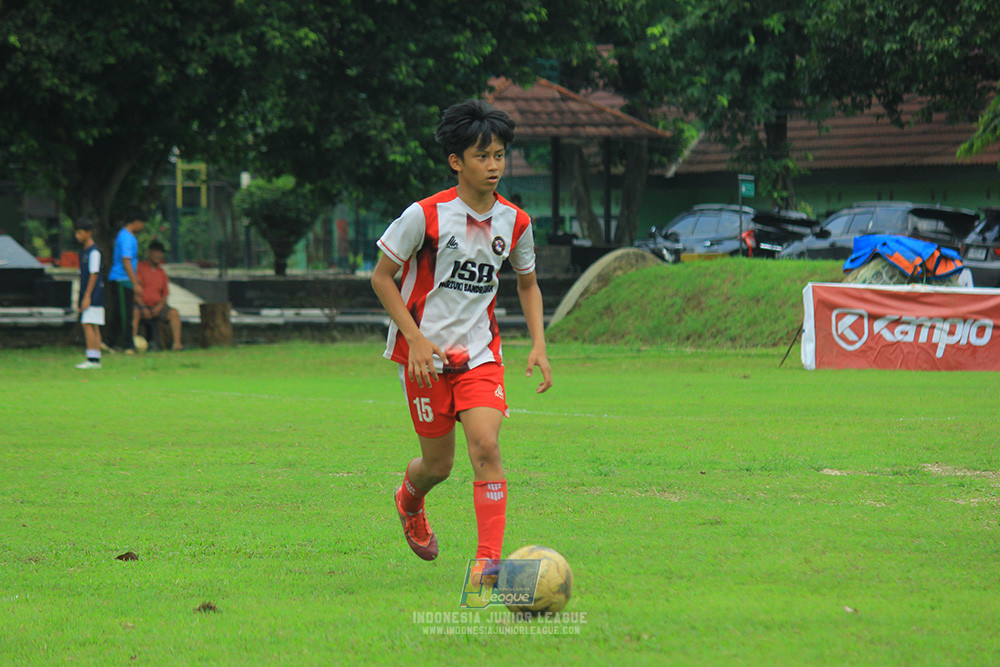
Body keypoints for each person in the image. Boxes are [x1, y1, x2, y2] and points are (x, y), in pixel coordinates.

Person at [371, 100, 553, 580]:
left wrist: (539, 343)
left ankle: (488, 564)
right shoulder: (424, 216)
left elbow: (528, 283)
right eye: (482, 156)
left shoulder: (516, 222)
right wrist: (415, 339)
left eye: (499, 156)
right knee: (437, 467)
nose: (493, 166)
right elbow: (382, 277)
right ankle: (410, 502)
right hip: (424, 361)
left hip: (479, 356)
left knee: (486, 448)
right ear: (456, 161)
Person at [105, 208, 146, 352]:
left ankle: (109, 342)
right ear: (136, 222)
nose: (142, 227)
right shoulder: (127, 238)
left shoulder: (125, 236)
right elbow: (126, 261)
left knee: (121, 312)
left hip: (125, 279)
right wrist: (135, 283)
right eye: (142, 223)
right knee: (125, 313)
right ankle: (128, 345)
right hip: (122, 279)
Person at [133, 240, 183, 350]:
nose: (159, 255)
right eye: (157, 252)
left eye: (161, 253)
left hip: (157, 307)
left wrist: (159, 307)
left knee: (174, 313)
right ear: (150, 252)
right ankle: (133, 344)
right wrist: (143, 307)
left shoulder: (161, 272)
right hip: (142, 305)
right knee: (135, 313)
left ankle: (177, 344)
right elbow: (136, 291)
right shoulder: (139, 268)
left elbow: (165, 294)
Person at [73, 217, 105, 369]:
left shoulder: (94, 252)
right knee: (94, 325)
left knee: (88, 324)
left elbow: (94, 274)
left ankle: (92, 359)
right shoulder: (84, 252)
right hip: (89, 293)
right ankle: (95, 356)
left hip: (93, 294)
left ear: (89, 233)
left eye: (80, 233)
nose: (77, 236)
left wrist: (86, 296)